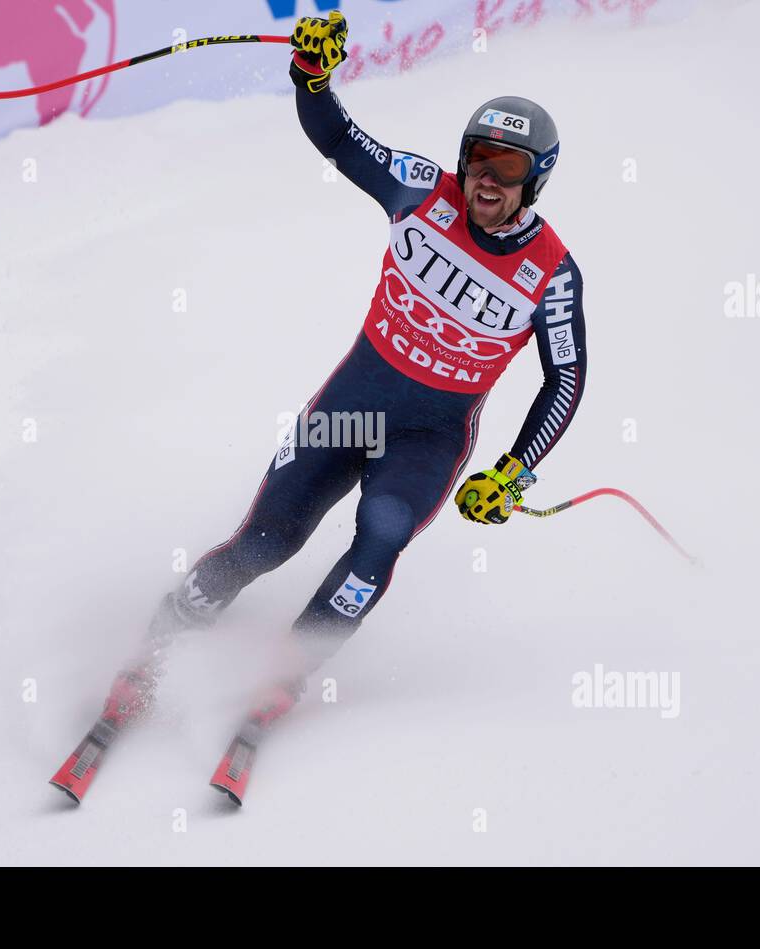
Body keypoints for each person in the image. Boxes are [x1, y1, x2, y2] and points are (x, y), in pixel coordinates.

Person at [105, 11, 587, 732]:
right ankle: (150, 653)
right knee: (264, 543)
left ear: (536, 180)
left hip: (428, 436)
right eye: (476, 159)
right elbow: (338, 138)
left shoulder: (551, 274)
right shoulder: (424, 191)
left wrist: (515, 472)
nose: (485, 180)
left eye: (507, 169)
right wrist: (311, 76)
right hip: (352, 406)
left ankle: (285, 674)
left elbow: (566, 380)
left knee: (380, 537)